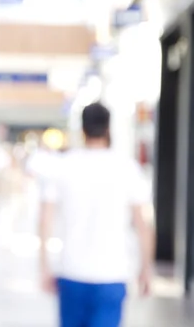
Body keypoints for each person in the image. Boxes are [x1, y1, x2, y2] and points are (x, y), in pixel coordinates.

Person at [38, 103, 154, 327]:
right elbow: (143, 224)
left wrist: (44, 267)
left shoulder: (63, 166)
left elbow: (45, 220)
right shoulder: (127, 168)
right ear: (108, 128)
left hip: (71, 272)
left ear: (82, 129)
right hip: (112, 274)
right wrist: (146, 269)